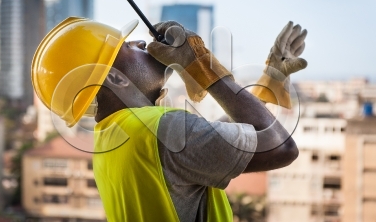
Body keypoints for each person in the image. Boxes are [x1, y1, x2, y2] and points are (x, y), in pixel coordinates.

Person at [32, 17, 307, 222]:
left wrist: (270, 79)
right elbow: (279, 147)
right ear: (115, 77)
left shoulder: (114, 138)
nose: (141, 42)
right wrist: (199, 64)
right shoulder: (161, 131)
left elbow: (217, 139)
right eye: (127, 46)